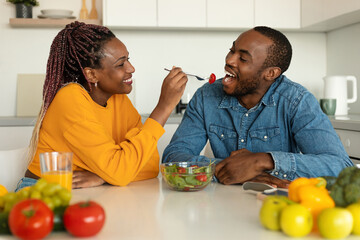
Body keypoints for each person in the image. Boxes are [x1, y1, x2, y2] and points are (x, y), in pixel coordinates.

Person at [162, 26, 353, 188]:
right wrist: (238, 170)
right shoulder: (207, 95)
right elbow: (173, 158)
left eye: (243, 59)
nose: (229, 60)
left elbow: (341, 167)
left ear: (270, 73)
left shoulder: (296, 100)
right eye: (232, 50)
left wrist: (263, 161)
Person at [16, 21, 187, 190]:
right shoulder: (69, 99)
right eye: (120, 64)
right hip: (42, 190)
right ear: (91, 74)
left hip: (88, 191)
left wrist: (102, 176)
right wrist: (163, 108)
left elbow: (149, 164)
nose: (131, 68)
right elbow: (122, 172)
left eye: (128, 59)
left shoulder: (118, 99)